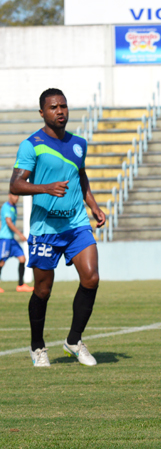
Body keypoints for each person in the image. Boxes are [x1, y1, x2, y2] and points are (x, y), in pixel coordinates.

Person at [10, 88, 106, 368]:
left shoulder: (79, 144)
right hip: (45, 228)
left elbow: (81, 177)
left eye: (63, 106)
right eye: (53, 107)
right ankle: (37, 347)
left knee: (91, 278)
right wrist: (45, 188)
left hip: (76, 224)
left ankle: (74, 341)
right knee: (43, 290)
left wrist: (94, 206)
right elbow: (15, 185)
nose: (60, 111)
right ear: (42, 112)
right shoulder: (32, 145)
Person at [0, 193, 34, 293]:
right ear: (10, 195)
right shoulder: (6, 207)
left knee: (22, 258)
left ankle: (20, 285)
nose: (17, 198)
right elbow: (8, 222)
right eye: (15, 196)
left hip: (11, 239)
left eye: (18, 196)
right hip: (5, 239)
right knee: (2, 262)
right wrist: (20, 233)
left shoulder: (13, 207)